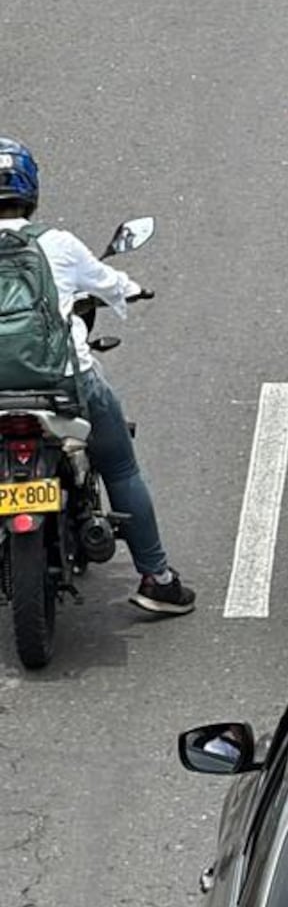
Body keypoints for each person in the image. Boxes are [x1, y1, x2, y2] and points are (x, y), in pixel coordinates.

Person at [0, 139, 195, 615]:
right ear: (31, 189)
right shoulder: (57, 244)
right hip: (63, 386)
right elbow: (111, 284)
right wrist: (135, 289)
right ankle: (157, 577)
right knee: (121, 467)